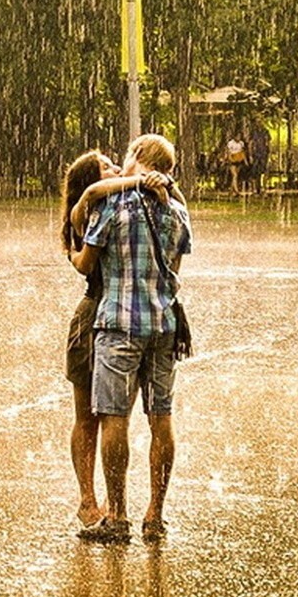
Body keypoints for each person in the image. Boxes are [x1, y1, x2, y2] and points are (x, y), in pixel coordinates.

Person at [71, 133, 193, 545]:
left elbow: (88, 263)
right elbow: (174, 270)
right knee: (162, 419)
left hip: (119, 324)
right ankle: (155, 515)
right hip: (162, 327)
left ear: (137, 156)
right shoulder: (177, 210)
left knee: (114, 418)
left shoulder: (112, 204)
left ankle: (117, 515)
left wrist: (77, 247)